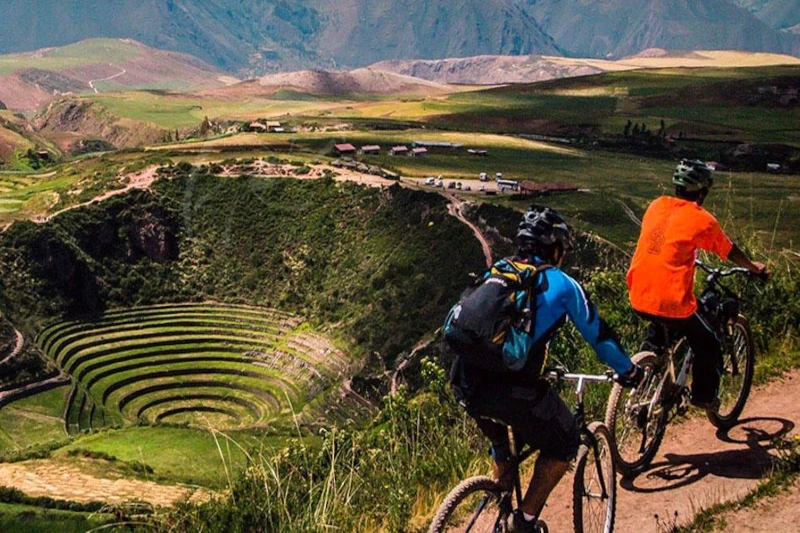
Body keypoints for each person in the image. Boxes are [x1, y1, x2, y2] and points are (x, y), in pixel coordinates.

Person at [450, 206, 642, 533]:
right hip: (511, 390)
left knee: (505, 441)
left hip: (465, 381)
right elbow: (600, 336)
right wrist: (628, 371)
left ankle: (501, 498)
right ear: (555, 249)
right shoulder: (563, 285)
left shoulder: (499, 269)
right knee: (563, 443)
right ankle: (521, 522)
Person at [627, 159, 767, 411]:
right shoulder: (702, 220)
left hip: (638, 294)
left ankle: (647, 370)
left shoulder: (656, 205)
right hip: (672, 302)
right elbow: (728, 250)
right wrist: (753, 267)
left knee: (661, 329)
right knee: (708, 341)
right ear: (702, 192)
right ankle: (703, 397)